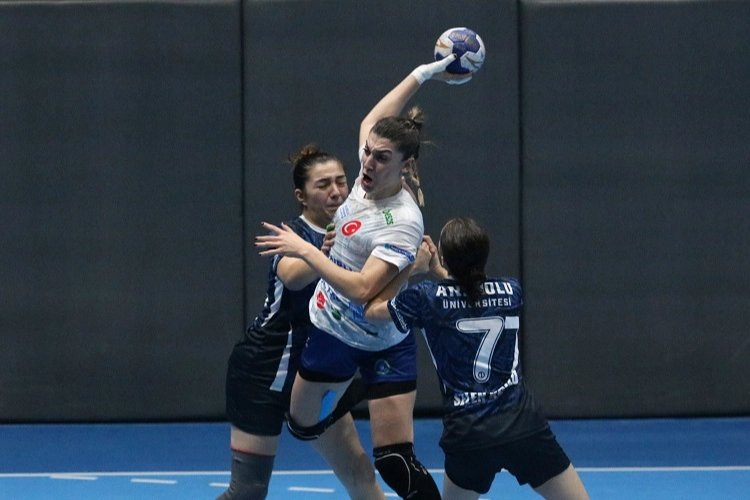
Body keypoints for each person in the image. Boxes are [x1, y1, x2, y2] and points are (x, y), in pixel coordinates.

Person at [254, 55, 470, 500]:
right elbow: (373, 119)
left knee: (394, 463)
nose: (367, 162)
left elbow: (362, 289)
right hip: (332, 330)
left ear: (406, 166)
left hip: (383, 339)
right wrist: (426, 73)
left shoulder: (402, 221)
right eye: (367, 152)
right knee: (301, 423)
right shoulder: (366, 177)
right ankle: (353, 391)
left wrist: (307, 250)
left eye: (381, 157)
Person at [362, 217, 591, 500]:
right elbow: (471, 296)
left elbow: (371, 310)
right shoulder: (512, 291)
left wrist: (412, 267)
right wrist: (441, 272)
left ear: (443, 256)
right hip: (522, 426)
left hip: (468, 434)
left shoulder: (425, 298)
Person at [218, 145, 385, 500]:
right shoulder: (291, 237)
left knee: (360, 472)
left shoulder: (355, 234)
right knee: (247, 492)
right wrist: (322, 252)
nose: (336, 191)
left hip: (315, 376)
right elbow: (293, 277)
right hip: (265, 371)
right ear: (302, 196)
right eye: (323, 184)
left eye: (341, 181)